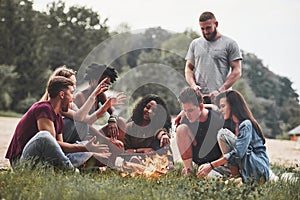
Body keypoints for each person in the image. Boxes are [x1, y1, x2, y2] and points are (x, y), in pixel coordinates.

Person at [5, 76, 110, 170]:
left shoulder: (58, 116)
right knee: (45, 136)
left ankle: (77, 167)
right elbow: (50, 142)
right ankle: (70, 170)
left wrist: (89, 149)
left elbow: (61, 148)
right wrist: (85, 149)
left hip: (41, 161)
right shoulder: (43, 108)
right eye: (72, 93)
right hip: (21, 162)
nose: (73, 98)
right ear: (62, 94)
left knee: (83, 145)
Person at [197, 90, 270, 183]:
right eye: (220, 107)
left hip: (258, 170)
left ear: (233, 106)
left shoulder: (246, 124)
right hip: (244, 170)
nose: (220, 110)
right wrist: (209, 167)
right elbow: (214, 108)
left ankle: (234, 179)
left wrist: (212, 165)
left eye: (223, 106)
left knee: (222, 134)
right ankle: (234, 181)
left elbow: (238, 153)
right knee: (203, 170)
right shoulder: (232, 126)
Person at [185, 11, 242, 103]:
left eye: (208, 28)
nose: (205, 32)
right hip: (200, 99)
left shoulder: (230, 44)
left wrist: (221, 90)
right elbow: (188, 68)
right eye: (202, 28)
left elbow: (237, 71)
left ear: (216, 24)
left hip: (222, 98)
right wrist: (193, 86)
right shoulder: (195, 44)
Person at [176, 87, 229, 176]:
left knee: (211, 176)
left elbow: (228, 148)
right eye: (185, 110)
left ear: (200, 107)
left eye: (190, 110)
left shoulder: (216, 118)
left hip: (218, 162)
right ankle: (189, 170)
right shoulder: (185, 118)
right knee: (181, 129)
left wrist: (213, 166)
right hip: (200, 161)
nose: (187, 114)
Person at [73, 63, 126, 143]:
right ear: (93, 80)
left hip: (93, 131)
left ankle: (122, 147)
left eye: (107, 85)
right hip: (81, 134)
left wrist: (112, 120)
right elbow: (84, 124)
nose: (104, 87)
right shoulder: (80, 97)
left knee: (120, 121)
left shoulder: (101, 95)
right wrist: (106, 139)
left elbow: (113, 111)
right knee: (112, 143)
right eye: (102, 83)